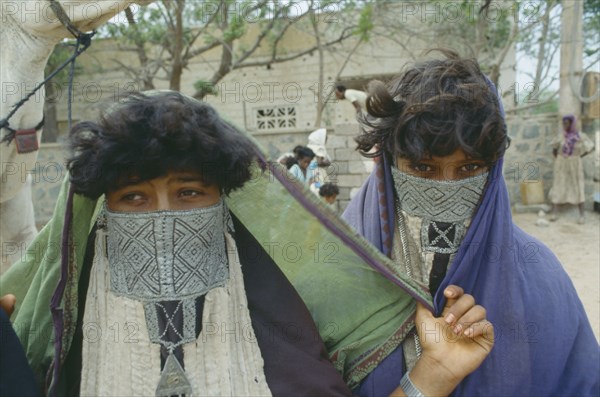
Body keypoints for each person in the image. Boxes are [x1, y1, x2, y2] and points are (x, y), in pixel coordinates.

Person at [0, 91, 493, 397]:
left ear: (223, 205)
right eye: (134, 197)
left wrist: (434, 375)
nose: (165, 216)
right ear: (104, 211)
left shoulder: (276, 328)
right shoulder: (52, 348)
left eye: (189, 192)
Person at [342, 50, 599, 396]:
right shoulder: (340, 270)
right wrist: (430, 375)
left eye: (469, 169)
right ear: (388, 164)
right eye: (422, 168)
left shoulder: (540, 278)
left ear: (492, 170)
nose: (445, 190)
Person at [549, 114, 594, 224]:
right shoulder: (561, 137)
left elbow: (591, 147)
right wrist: (561, 159)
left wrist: (578, 157)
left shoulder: (580, 137)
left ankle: (582, 215)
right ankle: (555, 213)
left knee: (577, 185)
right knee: (559, 184)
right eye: (563, 123)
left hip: (575, 164)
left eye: (567, 123)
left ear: (572, 123)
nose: (565, 125)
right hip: (562, 163)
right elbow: (554, 149)